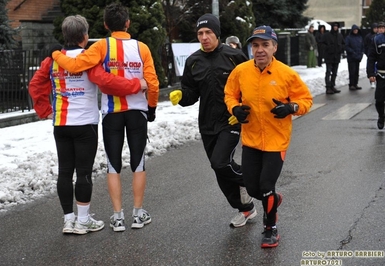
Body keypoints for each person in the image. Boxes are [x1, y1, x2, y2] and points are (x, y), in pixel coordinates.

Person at [29, 15, 146, 234]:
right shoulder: (89, 58)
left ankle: (68, 220)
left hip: (61, 123)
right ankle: (83, 221)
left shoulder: (53, 58)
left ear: (65, 35)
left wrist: (45, 110)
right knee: (83, 172)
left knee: (64, 172)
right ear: (85, 35)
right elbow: (106, 81)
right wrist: (136, 85)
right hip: (85, 123)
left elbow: (35, 84)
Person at [51, 3, 160, 232]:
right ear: (128, 23)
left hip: (111, 113)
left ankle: (118, 217)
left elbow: (75, 64)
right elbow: (153, 83)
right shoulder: (142, 48)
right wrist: (151, 108)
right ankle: (138, 215)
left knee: (113, 166)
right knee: (138, 163)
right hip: (138, 111)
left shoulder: (101, 46)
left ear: (106, 25)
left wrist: (54, 53)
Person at [224, 25, 313, 248]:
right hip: (252, 140)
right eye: (256, 45)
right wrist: (234, 109)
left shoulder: (287, 74)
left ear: (275, 47)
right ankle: (274, 198)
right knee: (253, 188)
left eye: (265, 44)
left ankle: (270, 227)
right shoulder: (241, 71)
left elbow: (306, 101)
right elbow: (229, 94)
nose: (260, 49)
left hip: (276, 141)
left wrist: (291, 107)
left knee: (265, 185)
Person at [169, 13, 256, 228]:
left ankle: (250, 180)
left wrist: (242, 111)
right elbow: (191, 93)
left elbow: (250, 86)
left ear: (217, 33)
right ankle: (246, 209)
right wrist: (181, 97)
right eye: (200, 33)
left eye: (208, 32)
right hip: (207, 123)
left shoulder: (234, 56)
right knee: (218, 170)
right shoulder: (193, 61)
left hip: (231, 121)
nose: (204, 37)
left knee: (221, 162)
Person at [367, 22, 385, 129]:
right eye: (380, 28)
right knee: (379, 100)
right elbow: (371, 58)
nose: (382, 29)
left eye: (383, 27)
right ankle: (381, 116)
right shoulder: (376, 40)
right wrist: (371, 73)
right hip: (381, 74)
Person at [322, 22, 344, 94]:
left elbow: (343, 43)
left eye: (336, 26)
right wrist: (328, 48)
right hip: (329, 56)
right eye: (334, 26)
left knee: (334, 72)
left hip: (336, 56)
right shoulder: (327, 35)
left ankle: (332, 85)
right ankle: (328, 87)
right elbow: (321, 44)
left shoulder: (339, 35)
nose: (335, 27)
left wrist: (340, 49)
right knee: (328, 72)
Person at [344, 24, 364, 90]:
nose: (355, 31)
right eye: (354, 30)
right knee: (352, 71)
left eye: (356, 30)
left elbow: (362, 47)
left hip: (358, 57)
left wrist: (361, 54)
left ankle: (355, 84)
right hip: (351, 57)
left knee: (356, 72)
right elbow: (347, 46)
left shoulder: (360, 37)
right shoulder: (349, 38)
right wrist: (352, 52)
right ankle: (351, 84)